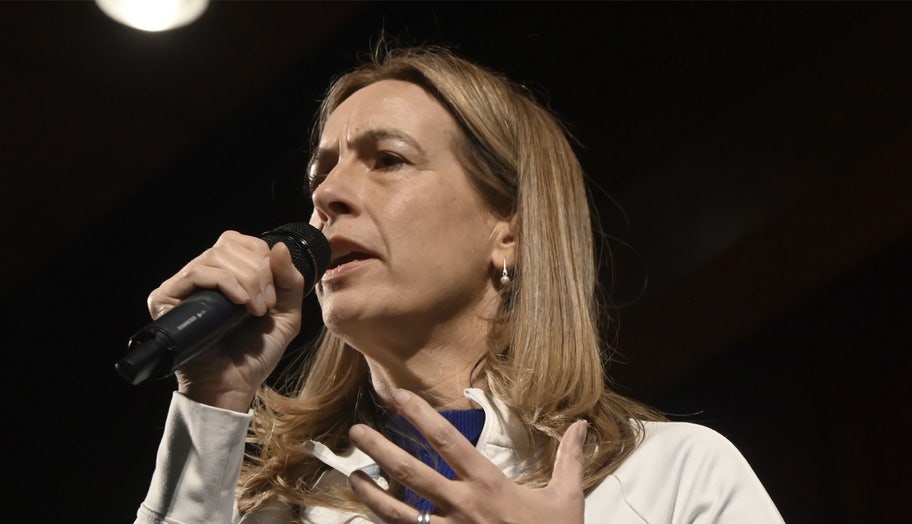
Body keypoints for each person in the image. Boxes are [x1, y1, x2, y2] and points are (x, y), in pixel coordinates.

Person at [133, 45, 785, 523]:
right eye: (319, 176)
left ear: (509, 231)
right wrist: (214, 399)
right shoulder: (276, 512)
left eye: (387, 160)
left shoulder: (672, 477)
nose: (327, 196)